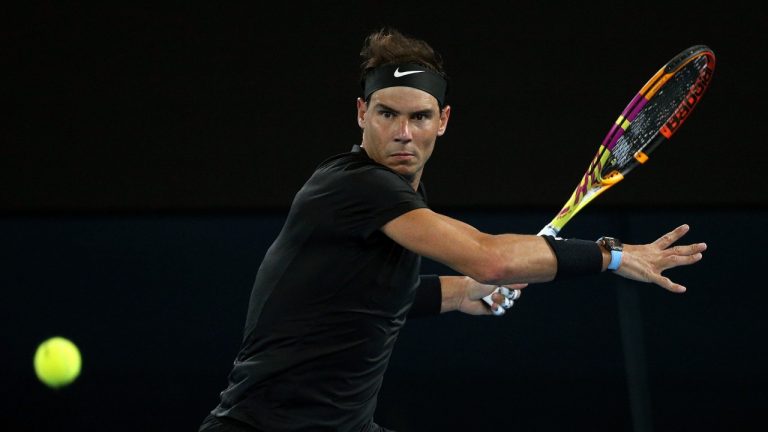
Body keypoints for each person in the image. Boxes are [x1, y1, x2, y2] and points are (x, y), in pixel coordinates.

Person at [198, 27, 706, 432]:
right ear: (361, 114)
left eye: (419, 117)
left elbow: (359, 298)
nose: (403, 132)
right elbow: (491, 258)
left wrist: (464, 294)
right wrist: (612, 256)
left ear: (442, 120)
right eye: (386, 114)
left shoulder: (394, 196)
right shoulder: (356, 188)